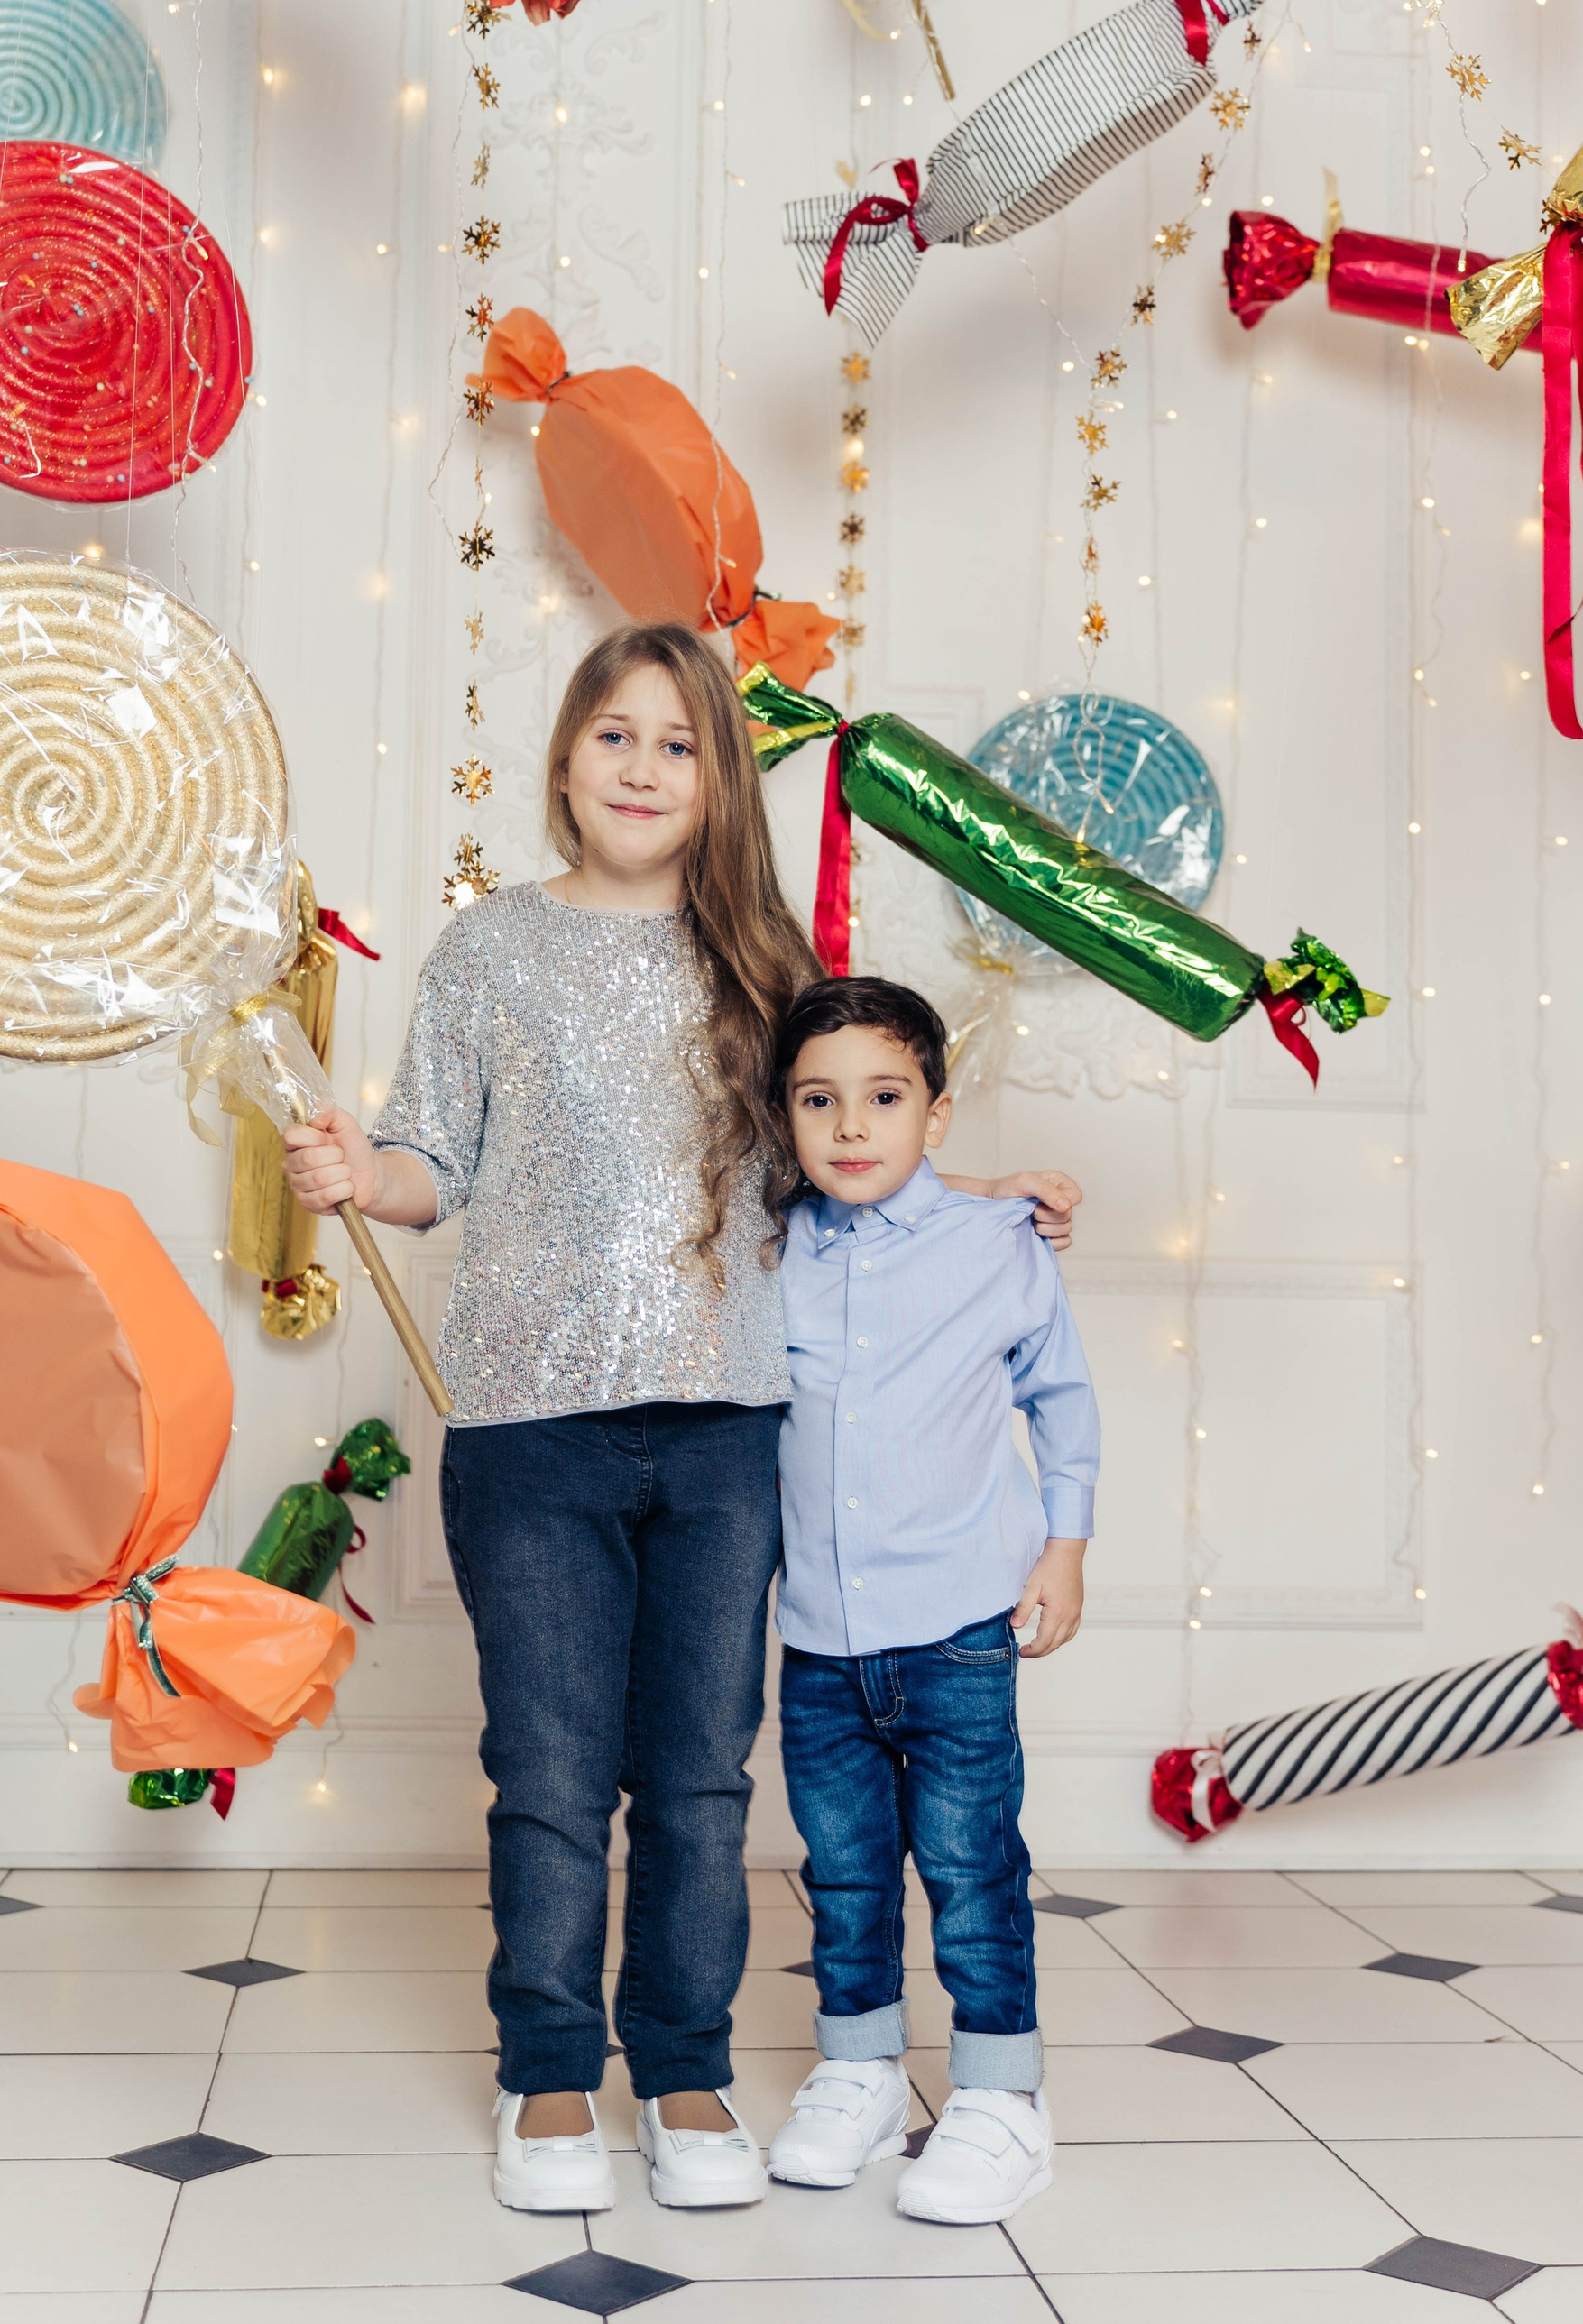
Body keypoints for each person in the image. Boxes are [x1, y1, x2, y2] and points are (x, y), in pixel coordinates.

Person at [280, 622, 1081, 2216]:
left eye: (680, 743)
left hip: (728, 1430)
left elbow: (838, 1155)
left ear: (720, 780)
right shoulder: (488, 949)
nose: (643, 769)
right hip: (530, 1426)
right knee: (551, 1767)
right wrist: (365, 1173)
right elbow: (434, 1160)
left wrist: (972, 1188)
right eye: (615, 735)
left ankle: (684, 2063)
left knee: (703, 1774)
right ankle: (548, 2070)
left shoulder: (766, 959)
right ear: (565, 758)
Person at [762, 974, 1099, 2225]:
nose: (852, 1126)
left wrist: (1064, 1548)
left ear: (936, 1114)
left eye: (886, 1098)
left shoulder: (995, 1244)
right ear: (785, 1118)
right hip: (819, 1640)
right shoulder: (770, 1248)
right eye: (819, 1100)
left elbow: (1061, 1399)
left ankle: (1004, 2097)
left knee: (970, 1868)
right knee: (845, 1874)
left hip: (958, 1631)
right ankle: (859, 2072)